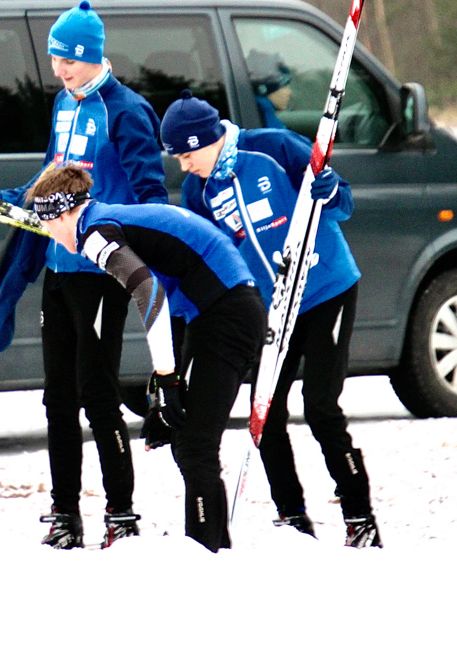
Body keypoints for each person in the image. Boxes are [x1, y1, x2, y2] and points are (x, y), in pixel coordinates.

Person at [0, 0, 168, 549]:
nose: (61, 70)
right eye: (55, 59)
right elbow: (46, 183)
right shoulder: (64, 107)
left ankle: (121, 514)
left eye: (69, 60)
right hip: (58, 264)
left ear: (92, 57)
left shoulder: (127, 111)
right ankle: (65, 514)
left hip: (100, 270)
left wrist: (120, 240)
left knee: (97, 393)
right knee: (58, 398)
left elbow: (153, 200)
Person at [161, 90, 382, 547]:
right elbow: (207, 255)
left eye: (186, 154)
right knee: (266, 415)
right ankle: (293, 518)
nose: (184, 165)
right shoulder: (197, 190)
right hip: (272, 306)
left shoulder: (274, 148)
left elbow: (344, 206)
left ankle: (360, 517)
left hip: (326, 289)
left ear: (206, 140)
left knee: (321, 407)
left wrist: (332, 190)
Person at [30, 163, 265, 552]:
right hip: (217, 310)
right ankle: (212, 548)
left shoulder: (94, 234)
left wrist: (168, 376)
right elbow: (171, 279)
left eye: (47, 221)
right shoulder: (108, 218)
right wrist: (163, 387)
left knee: (194, 445)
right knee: (190, 440)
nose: (48, 233)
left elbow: (149, 293)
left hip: (227, 313)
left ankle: (208, 555)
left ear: (65, 211)